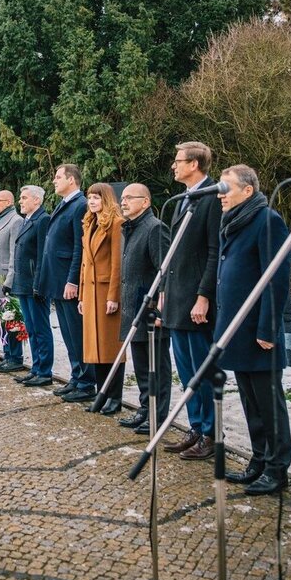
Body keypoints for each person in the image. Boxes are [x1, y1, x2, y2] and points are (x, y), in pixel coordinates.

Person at [212, 164, 291, 496]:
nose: (220, 194)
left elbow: (277, 280)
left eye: (226, 188)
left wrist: (268, 329)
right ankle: (259, 460)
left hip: (259, 333)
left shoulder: (267, 220)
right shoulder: (234, 221)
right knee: (250, 402)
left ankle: (277, 469)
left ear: (248, 191)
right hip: (237, 330)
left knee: (268, 404)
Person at [161, 142, 222, 461]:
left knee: (202, 370)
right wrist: (164, 292)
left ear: (195, 164)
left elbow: (214, 251)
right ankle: (196, 427)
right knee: (186, 371)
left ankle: (211, 433)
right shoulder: (184, 198)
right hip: (176, 297)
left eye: (178, 161)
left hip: (196, 300)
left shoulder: (212, 197)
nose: (174, 165)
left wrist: (204, 296)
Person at [116, 184, 171, 432]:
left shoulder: (155, 228)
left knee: (156, 366)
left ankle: (157, 415)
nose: (123, 202)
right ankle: (144, 408)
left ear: (145, 202)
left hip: (150, 311)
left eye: (129, 198)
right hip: (133, 307)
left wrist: (160, 309)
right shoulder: (130, 228)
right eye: (123, 198)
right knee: (140, 364)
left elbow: (165, 270)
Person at [38, 164, 94, 398]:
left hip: (68, 281)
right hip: (57, 279)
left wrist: (73, 281)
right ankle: (76, 375)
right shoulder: (64, 204)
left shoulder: (80, 205)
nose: (54, 180)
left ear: (72, 180)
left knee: (77, 333)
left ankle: (86, 383)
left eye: (58, 177)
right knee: (69, 334)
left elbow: (79, 247)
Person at [78, 183, 124, 409]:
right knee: (94, 347)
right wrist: (81, 295)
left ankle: (114, 397)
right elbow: (84, 263)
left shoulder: (116, 223)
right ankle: (101, 394)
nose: (92, 201)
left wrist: (113, 296)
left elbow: (118, 263)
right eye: (89, 198)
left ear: (106, 199)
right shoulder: (89, 223)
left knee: (110, 346)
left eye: (96, 197)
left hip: (106, 292)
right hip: (90, 292)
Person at [12, 185, 52, 386]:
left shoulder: (42, 220)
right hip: (23, 283)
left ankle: (44, 371)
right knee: (31, 328)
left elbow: (43, 254)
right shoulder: (27, 220)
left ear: (37, 200)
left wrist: (39, 284)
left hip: (35, 285)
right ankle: (36, 368)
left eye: (24, 197)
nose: (20, 201)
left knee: (41, 328)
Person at [0, 191, 23, 370]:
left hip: (5, 278)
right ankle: (8, 355)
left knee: (10, 317)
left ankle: (15, 357)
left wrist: (9, 279)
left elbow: (15, 253)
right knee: (2, 318)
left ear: (8, 202)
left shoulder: (15, 221)